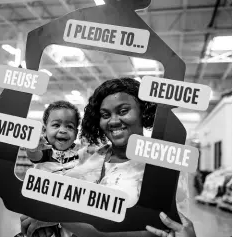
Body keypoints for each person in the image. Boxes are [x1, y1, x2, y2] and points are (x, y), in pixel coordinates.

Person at [20, 78, 195, 237]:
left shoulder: (161, 161)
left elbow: (151, 232)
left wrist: (58, 217)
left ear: (143, 111)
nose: (113, 121)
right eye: (105, 115)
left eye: (123, 111)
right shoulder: (93, 155)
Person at [26, 100, 83, 173]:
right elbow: (35, 156)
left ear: (76, 134)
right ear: (44, 130)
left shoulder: (79, 152)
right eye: (56, 125)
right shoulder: (45, 149)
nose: (63, 130)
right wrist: (32, 149)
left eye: (69, 126)